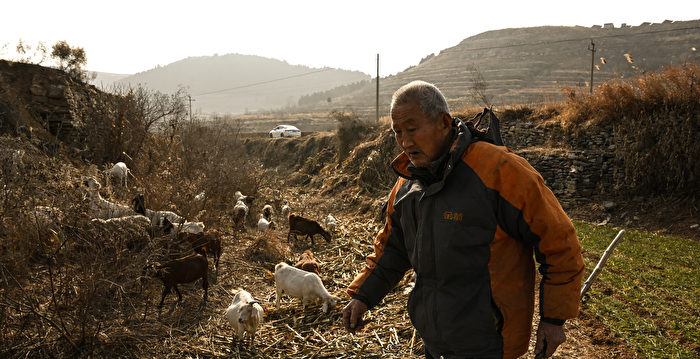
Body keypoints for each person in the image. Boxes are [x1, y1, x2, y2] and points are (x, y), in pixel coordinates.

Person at [342, 80, 585, 359]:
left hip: (489, 343)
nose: (405, 141)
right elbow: (392, 249)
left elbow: (559, 242)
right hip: (435, 341)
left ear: (444, 122)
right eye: (397, 132)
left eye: (412, 129)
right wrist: (363, 297)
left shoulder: (499, 172)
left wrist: (553, 320)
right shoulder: (408, 185)